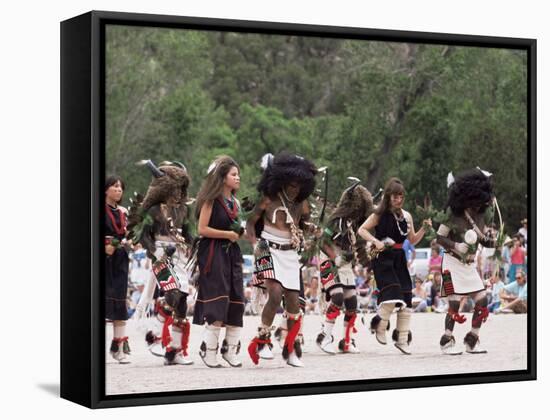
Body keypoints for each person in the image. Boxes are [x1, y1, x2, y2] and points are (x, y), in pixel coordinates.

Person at [247, 152, 317, 367]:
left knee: (295, 303)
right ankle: (262, 340)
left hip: (289, 253)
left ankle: (291, 348)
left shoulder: (302, 203)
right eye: (292, 184)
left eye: (299, 185)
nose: (295, 189)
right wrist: (254, 244)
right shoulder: (268, 200)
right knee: (275, 293)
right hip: (266, 249)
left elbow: (304, 224)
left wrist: (311, 228)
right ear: (283, 181)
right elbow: (250, 224)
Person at [128, 160, 194, 365]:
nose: (177, 193)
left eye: (180, 189)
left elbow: (189, 234)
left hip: (180, 258)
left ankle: (174, 351)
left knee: (182, 303)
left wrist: (192, 247)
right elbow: (143, 236)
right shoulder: (154, 210)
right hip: (160, 255)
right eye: (173, 189)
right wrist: (154, 253)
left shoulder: (185, 210)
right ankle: (153, 330)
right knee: (172, 293)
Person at [358, 177, 431, 354]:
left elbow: (412, 239)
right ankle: (380, 327)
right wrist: (376, 241)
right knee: (393, 295)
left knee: (406, 300)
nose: (398, 200)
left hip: (399, 259)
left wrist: (424, 229)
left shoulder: (407, 216)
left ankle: (402, 339)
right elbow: (362, 230)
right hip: (382, 258)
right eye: (395, 197)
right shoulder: (379, 214)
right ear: (388, 196)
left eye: (401, 197)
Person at [192, 156, 246, 368]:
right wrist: (227, 235)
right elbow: (201, 229)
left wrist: (237, 234)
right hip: (213, 253)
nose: (237, 177)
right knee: (218, 300)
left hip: (232, 253)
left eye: (237, 174)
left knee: (236, 299)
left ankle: (230, 350)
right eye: (233, 174)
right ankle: (209, 350)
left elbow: (235, 231)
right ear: (223, 178)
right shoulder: (210, 200)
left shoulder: (237, 202)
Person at [436, 168, 497, 355]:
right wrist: (455, 245)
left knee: (482, 300)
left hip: (469, 266)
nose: (480, 205)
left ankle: (472, 340)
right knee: (453, 303)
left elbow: (482, 240)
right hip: (450, 262)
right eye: (477, 201)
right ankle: (447, 340)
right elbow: (439, 238)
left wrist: (491, 241)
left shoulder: (480, 216)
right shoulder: (452, 214)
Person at [316, 182, 373, 354]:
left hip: (346, 266)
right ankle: (325, 336)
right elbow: (322, 242)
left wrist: (369, 264)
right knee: (338, 296)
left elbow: (360, 249)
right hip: (329, 261)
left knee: (352, 303)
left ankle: (346, 341)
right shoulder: (336, 220)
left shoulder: (358, 225)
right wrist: (336, 257)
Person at [105, 175, 132, 363]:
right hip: (104, 257)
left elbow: (128, 234)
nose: (119, 190)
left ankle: (119, 347)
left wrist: (132, 242)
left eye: (121, 187)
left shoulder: (123, 211)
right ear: (105, 189)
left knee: (120, 302)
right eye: (115, 186)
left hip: (120, 258)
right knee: (102, 301)